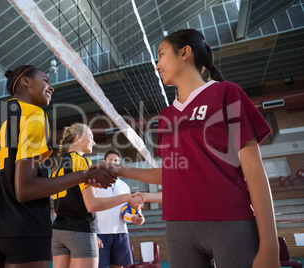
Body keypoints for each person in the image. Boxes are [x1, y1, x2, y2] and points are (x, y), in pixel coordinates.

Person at [92, 29, 280, 268]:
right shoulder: (167, 116)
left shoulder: (226, 92)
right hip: (178, 226)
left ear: (185, 53)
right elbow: (170, 174)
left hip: (229, 220)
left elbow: (253, 169)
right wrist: (119, 170)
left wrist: (270, 246)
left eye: (160, 55)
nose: (157, 65)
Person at [0, 65, 116, 268]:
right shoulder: (32, 113)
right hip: (21, 227)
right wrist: (84, 174)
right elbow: (25, 190)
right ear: (26, 82)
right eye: (46, 80)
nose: (51, 87)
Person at [51, 124, 144, 268]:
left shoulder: (56, 167)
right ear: (78, 138)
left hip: (58, 232)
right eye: (91, 137)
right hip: (79, 230)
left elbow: (56, 208)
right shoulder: (82, 162)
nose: (94, 142)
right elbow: (92, 205)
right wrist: (126, 197)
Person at [95, 149, 145, 268]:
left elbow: (125, 212)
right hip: (100, 232)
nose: (113, 162)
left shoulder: (125, 187)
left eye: (116, 160)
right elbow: (89, 209)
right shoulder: (95, 184)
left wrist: (135, 217)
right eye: (110, 159)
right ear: (104, 162)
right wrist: (93, 234)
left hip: (121, 233)